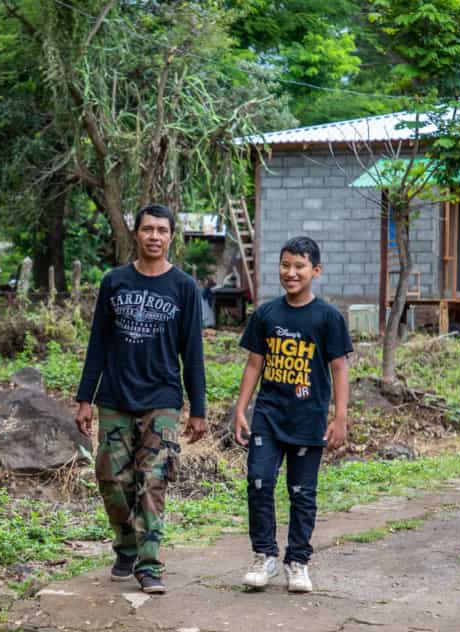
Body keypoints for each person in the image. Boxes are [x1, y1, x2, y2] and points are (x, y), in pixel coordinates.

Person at [75, 203, 207, 595]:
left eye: (162, 230)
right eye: (148, 229)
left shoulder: (183, 286)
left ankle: (149, 565)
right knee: (111, 478)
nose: (154, 236)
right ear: (136, 233)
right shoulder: (114, 281)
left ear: (171, 237)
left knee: (154, 479)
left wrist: (198, 409)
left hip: (162, 398)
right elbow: (97, 343)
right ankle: (127, 546)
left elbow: (193, 352)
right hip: (115, 396)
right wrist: (85, 398)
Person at [232, 236, 352, 592]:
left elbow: (339, 367)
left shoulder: (328, 317)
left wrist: (340, 417)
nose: (291, 272)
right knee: (259, 481)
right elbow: (255, 363)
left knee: (302, 492)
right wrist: (242, 408)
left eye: (299, 266)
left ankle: (297, 561)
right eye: (285, 265)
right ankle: (264, 556)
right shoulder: (266, 314)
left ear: (316, 270)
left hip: (308, 419)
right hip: (268, 416)